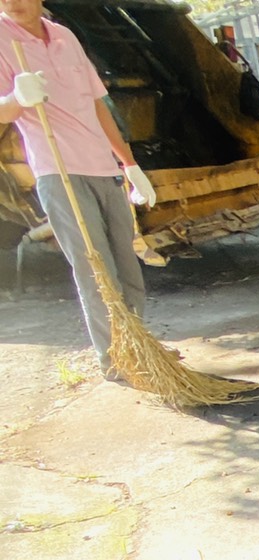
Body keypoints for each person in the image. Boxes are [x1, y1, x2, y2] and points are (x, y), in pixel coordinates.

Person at [0, 0, 155, 378]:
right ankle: (116, 361)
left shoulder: (66, 36)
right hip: (59, 172)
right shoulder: (2, 39)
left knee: (127, 268)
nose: (11, 2)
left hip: (103, 168)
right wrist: (16, 99)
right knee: (96, 271)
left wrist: (129, 163)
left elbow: (97, 104)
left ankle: (140, 347)